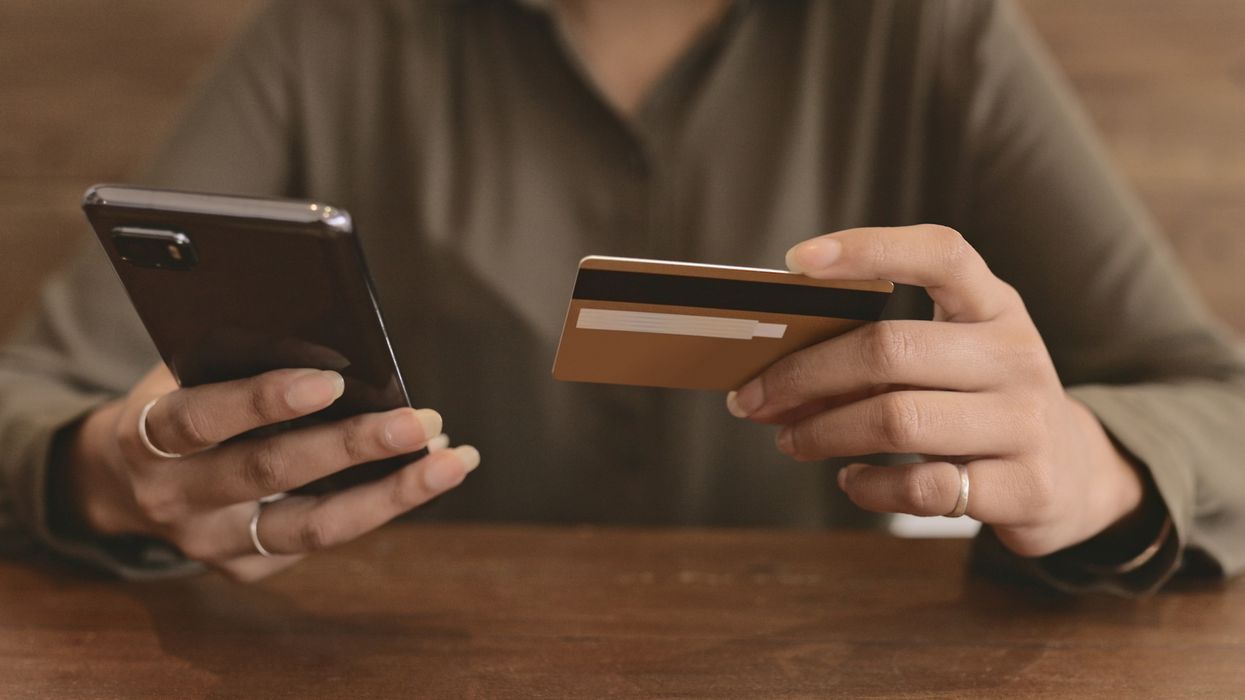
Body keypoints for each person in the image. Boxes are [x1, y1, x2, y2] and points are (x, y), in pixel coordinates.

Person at [1, 0, 1242, 593]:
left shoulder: (928, 35)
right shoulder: (331, 38)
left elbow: (1218, 402)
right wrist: (109, 473)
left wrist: (1098, 470)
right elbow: (31, 398)